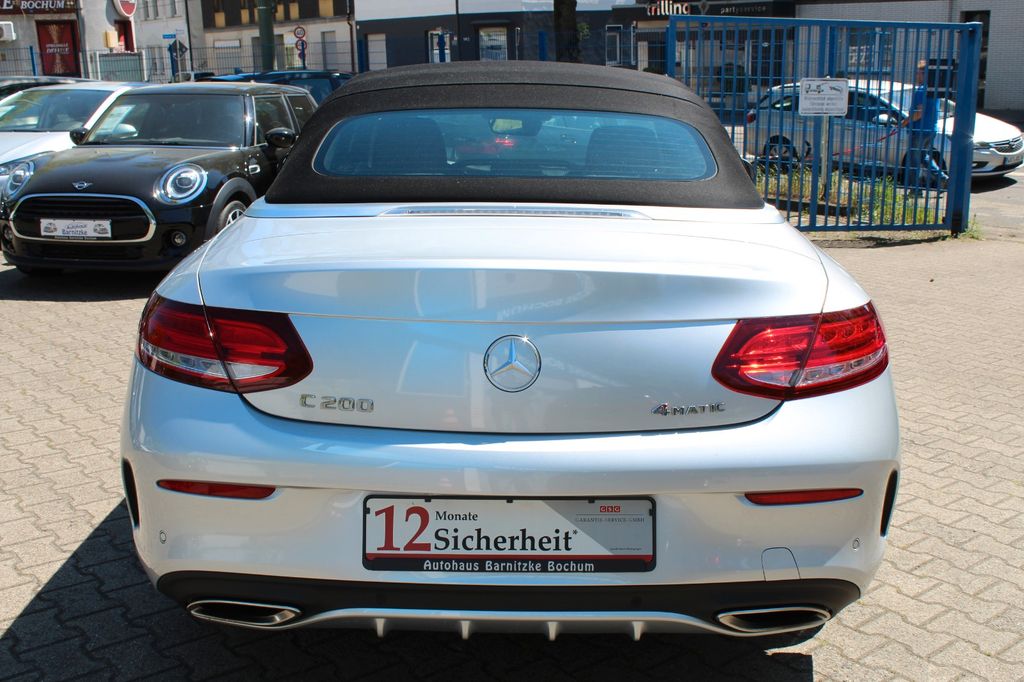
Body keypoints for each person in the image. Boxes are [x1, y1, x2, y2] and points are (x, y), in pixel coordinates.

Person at [902, 61, 949, 194]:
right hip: (931, 129)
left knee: (914, 161)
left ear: (924, 74)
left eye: (918, 73)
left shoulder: (921, 90)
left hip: (919, 131)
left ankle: (915, 189)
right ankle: (942, 178)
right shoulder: (933, 90)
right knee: (923, 157)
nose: (916, 76)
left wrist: (904, 122)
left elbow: (918, 114)